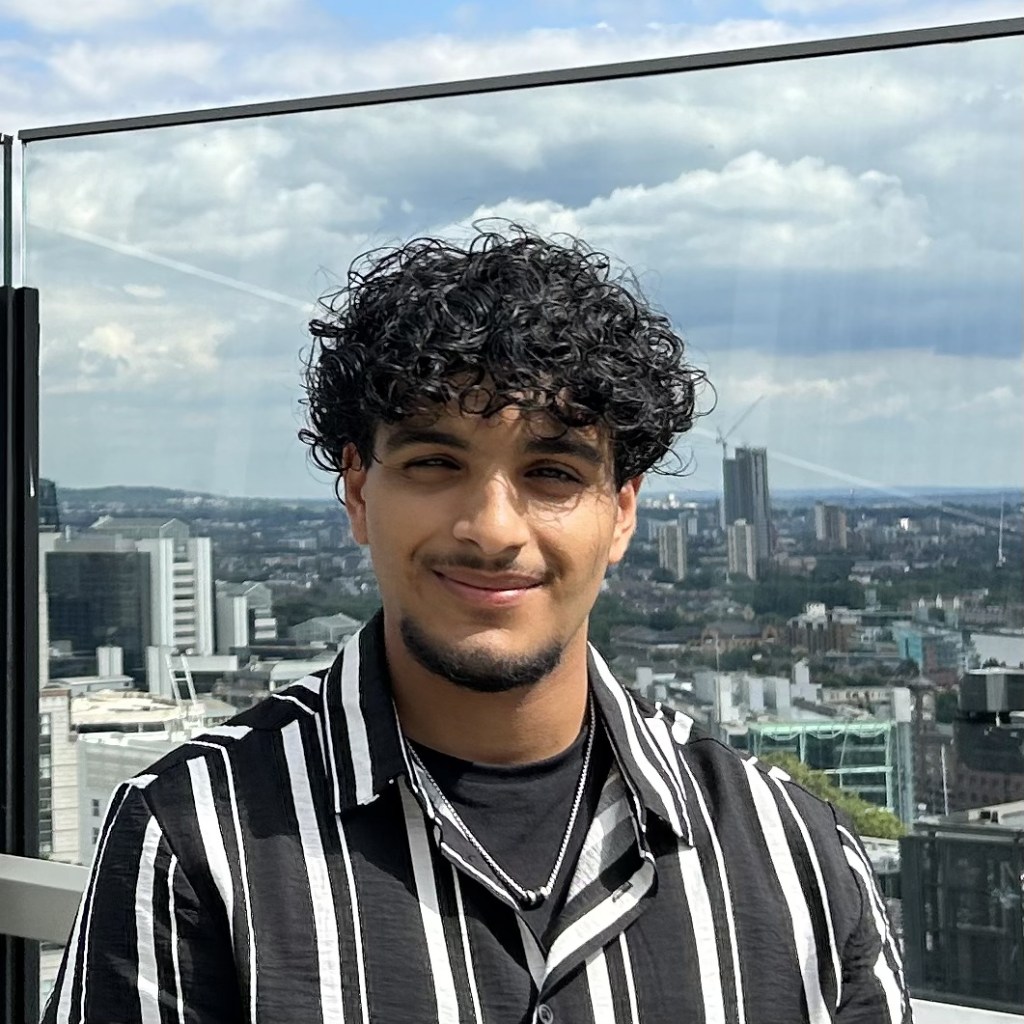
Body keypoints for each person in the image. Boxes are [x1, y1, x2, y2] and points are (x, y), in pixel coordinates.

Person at [43, 225, 912, 1024]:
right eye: (434, 462)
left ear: (621, 513)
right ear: (358, 492)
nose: (493, 530)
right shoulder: (195, 837)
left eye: (553, 472)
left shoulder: (796, 853)